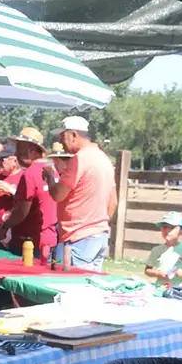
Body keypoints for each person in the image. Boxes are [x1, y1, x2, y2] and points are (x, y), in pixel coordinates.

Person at [43, 115, 118, 271]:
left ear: (74, 135)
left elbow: (58, 194)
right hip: (99, 236)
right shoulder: (104, 159)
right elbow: (113, 202)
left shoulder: (78, 160)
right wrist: (97, 223)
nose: (61, 141)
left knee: (70, 287)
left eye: (62, 136)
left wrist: (50, 177)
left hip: (78, 238)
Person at [0, 127, 58, 263]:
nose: (17, 153)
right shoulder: (52, 171)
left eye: (20, 148)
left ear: (31, 150)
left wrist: (5, 226)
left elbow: (22, 211)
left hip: (28, 242)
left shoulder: (30, 174)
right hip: (49, 239)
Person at [144, 212, 182, 286]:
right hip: (160, 289)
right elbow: (147, 270)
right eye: (165, 227)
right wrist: (157, 273)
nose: (167, 230)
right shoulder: (156, 250)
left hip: (179, 290)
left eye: (172, 227)